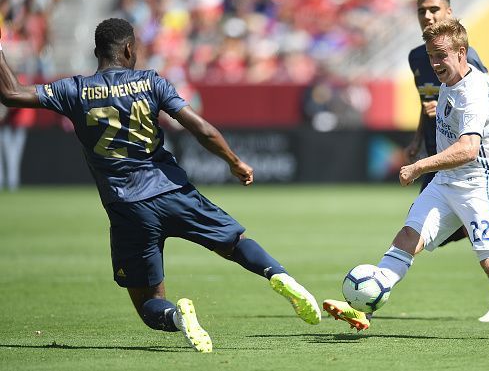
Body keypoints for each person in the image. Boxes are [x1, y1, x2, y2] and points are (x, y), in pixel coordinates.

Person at [0, 18, 321, 353]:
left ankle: (178, 319)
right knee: (235, 242)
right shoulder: (150, 82)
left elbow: (11, 94)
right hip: (173, 190)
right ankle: (279, 275)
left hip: (127, 207)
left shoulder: (75, 90)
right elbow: (202, 129)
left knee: (149, 304)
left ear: (97, 52)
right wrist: (234, 162)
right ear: (127, 48)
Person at [323, 19, 489, 342]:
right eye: (432, 56)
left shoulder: (472, 94)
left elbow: (467, 149)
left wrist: (419, 166)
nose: (435, 64)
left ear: (462, 53)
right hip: (445, 184)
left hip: (478, 185)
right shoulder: (461, 77)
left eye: (441, 56)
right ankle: (364, 309)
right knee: (409, 236)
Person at [404, 0, 489, 323]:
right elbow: (428, 102)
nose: (429, 16)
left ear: (448, 12)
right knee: (428, 231)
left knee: (432, 232)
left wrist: (482, 136)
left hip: (459, 157)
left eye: (435, 10)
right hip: (435, 152)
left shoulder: (465, 55)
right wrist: (417, 140)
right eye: (423, 12)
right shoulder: (418, 56)